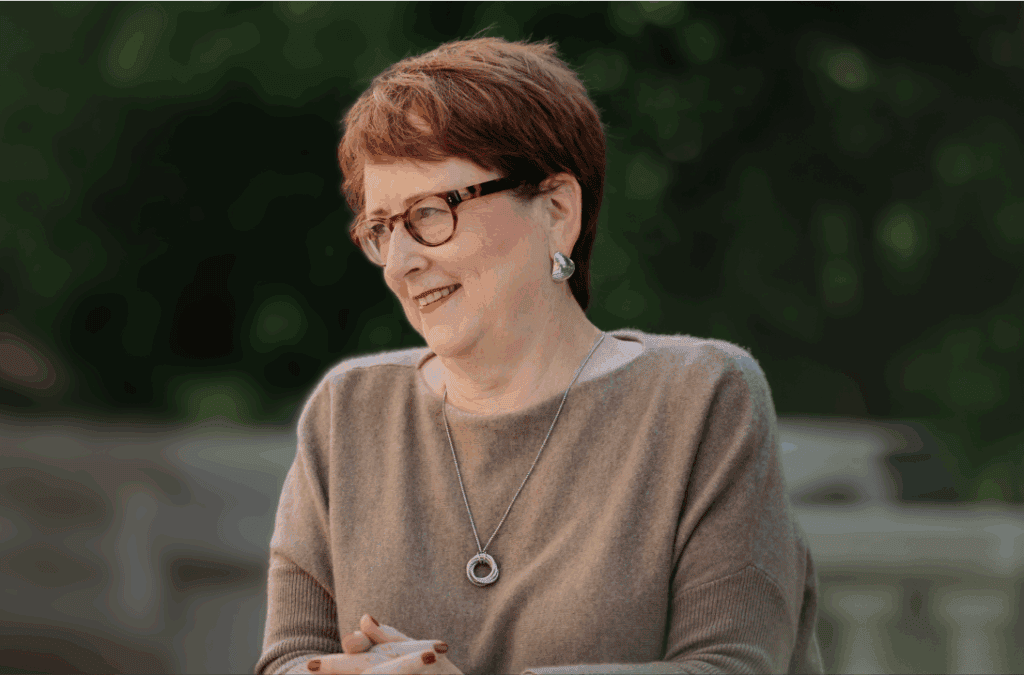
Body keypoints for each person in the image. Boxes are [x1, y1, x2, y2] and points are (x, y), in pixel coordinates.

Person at [255, 34, 824, 675]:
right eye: (381, 228)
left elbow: (734, 667)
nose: (401, 261)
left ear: (558, 211)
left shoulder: (702, 397)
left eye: (430, 212)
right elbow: (289, 661)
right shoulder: (347, 410)